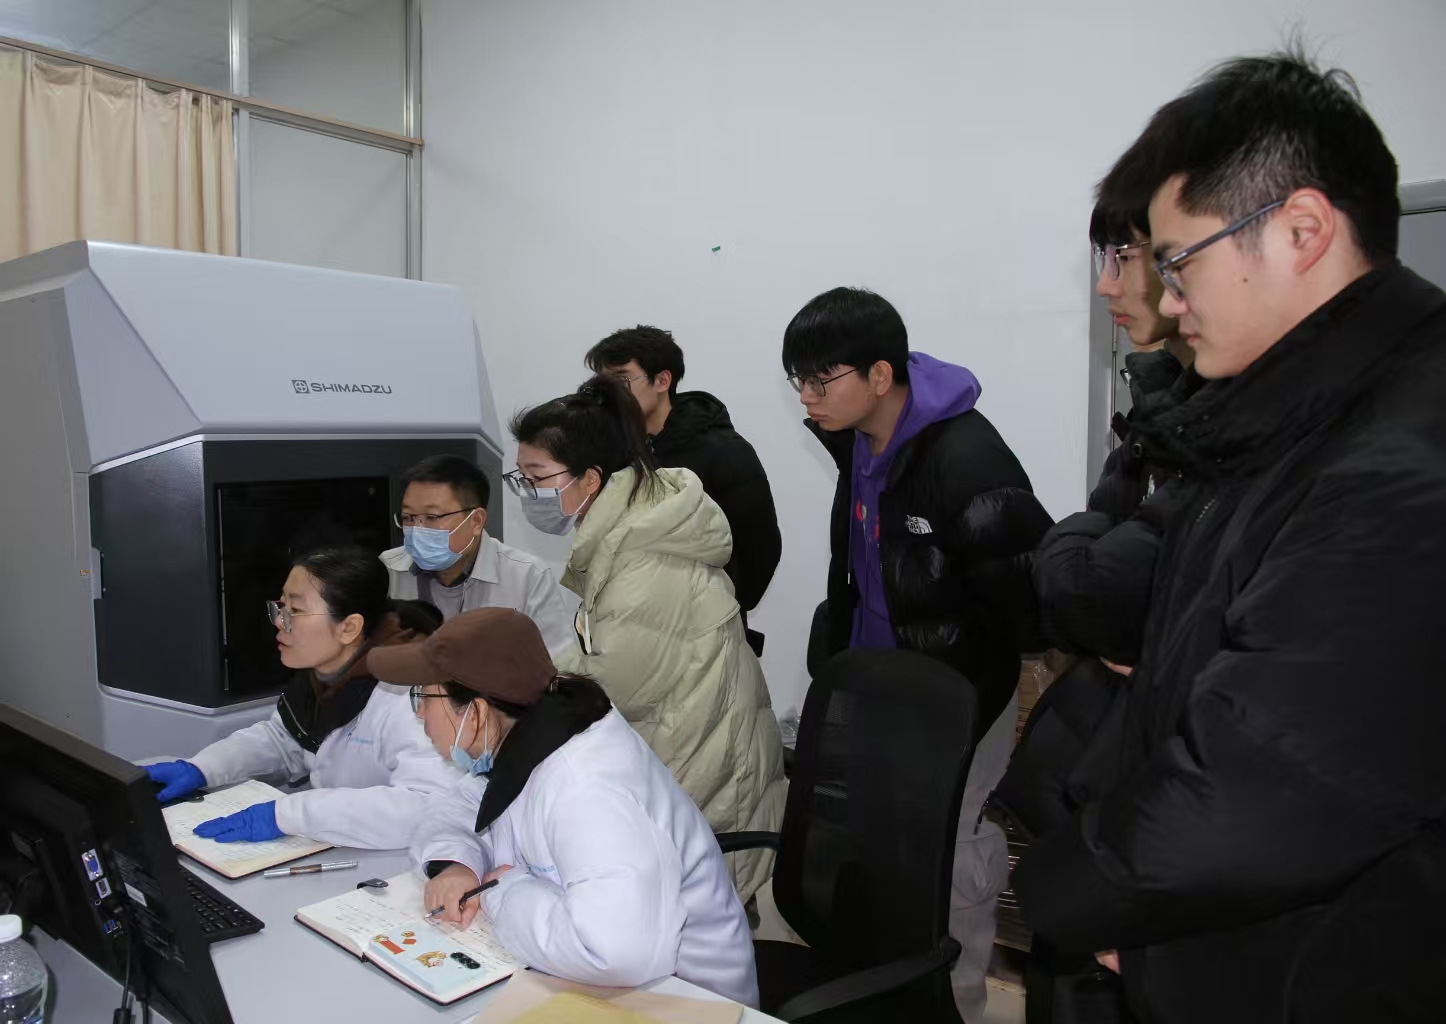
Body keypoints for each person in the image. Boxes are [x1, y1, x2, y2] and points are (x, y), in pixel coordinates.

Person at [1013, 49, 1446, 1024]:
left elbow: (1264, 776)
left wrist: (1075, 891)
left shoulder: (1404, 454)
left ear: (1300, 230)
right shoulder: (1278, 420)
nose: (1167, 300)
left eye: (1179, 262)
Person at [781, 286, 1053, 1021]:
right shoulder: (855, 439)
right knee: (882, 851)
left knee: (949, 853)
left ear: (880, 374)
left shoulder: (966, 458)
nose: (806, 397)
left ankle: (957, 1005)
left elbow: (1026, 594)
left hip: (960, 694)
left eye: (821, 379)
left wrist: (980, 678)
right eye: (799, 380)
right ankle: (889, 991)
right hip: (880, 686)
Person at [386, 608, 758, 1006]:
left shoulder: (587, 789)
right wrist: (455, 864)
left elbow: (614, 953)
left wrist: (501, 891)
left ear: (475, 713)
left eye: (423, 697)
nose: (419, 713)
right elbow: (454, 807)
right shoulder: (520, 736)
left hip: (683, 999)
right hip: (586, 982)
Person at [507, 375, 786, 902]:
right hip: (687, 749)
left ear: (590, 479)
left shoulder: (644, 557)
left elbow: (612, 682)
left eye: (536, 476)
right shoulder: (634, 525)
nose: (527, 492)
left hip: (703, 774)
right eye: (520, 476)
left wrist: (513, 691)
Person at [144, 548, 458, 850]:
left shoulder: (412, 693)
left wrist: (290, 816)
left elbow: (425, 804)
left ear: (349, 627)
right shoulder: (322, 676)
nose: (279, 621)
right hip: (340, 847)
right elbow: (283, 740)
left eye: (295, 611)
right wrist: (203, 768)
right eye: (281, 607)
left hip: (398, 862)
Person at [584, 326, 782, 652]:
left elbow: (760, 549)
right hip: (629, 631)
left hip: (704, 636)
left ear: (662, 380)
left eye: (622, 380)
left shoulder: (723, 450)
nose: (611, 394)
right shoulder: (614, 454)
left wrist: (714, 606)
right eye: (604, 382)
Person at [380, 454, 574, 655]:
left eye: (432, 517)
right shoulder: (388, 570)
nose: (417, 530)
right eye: (408, 518)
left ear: (476, 521)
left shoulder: (527, 577)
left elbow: (559, 664)